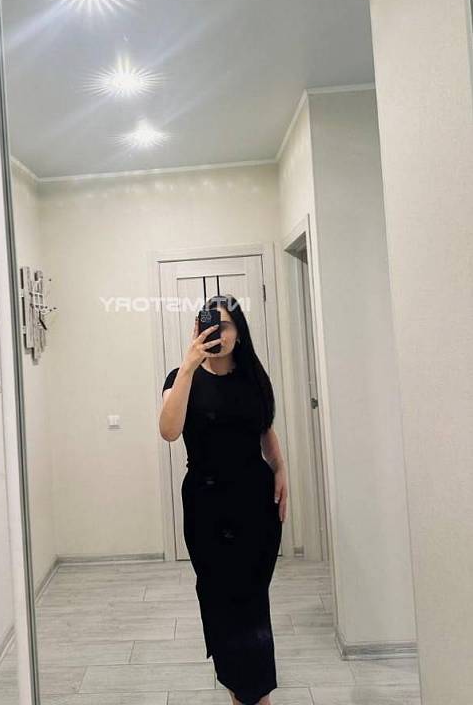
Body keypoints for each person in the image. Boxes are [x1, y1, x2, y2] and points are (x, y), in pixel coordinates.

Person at [159, 294, 288, 705]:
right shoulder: (180, 377)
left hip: (255, 505)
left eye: (226, 324)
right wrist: (189, 364)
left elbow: (264, 428)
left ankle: (251, 692)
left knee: (251, 601)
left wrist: (280, 468)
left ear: (239, 332)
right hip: (207, 508)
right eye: (209, 324)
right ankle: (246, 688)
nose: (218, 332)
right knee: (217, 596)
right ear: (198, 329)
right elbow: (168, 430)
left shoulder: (253, 378)